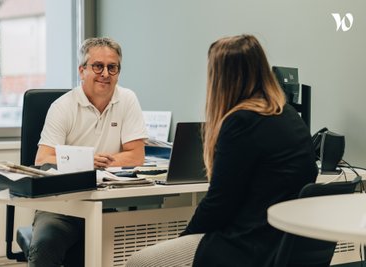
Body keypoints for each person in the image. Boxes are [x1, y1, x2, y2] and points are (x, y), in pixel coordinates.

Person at [125, 34, 318, 267]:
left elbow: (218, 204)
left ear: (222, 77)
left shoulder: (241, 121)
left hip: (246, 248)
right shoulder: (288, 115)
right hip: (282, 245)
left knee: (140, 261)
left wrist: (185, 237)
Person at [28, 37, 148, 267]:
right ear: (82, 70)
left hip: (107, 205)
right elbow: (43, 160)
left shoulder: (128, 99)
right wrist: (87, 161)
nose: (105, 73)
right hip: (62, 207)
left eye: (112, 67)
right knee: (45, 244)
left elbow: (136, 156)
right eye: (98, 66)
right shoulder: (62, 107)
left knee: (137, 246)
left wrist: (99, 162)